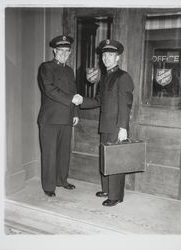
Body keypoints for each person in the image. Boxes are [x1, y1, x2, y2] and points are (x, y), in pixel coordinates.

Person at [77, 39, 134, 206]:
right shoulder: (105, 78)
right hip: (105, 126)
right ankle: (107, 189)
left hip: (117, 126)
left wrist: (123, 127)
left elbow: (126, 103)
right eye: (104, 55)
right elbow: (98, 100)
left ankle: (116, 196)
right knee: (106, 158)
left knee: (116, 160)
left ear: (118, 57)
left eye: (111, 55)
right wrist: (82, 100)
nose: (106, 58)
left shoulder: (123, 77)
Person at [37, 35, 83, 197]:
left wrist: (75, 112)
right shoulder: (46, 67)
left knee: (64, 152)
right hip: (50, 118)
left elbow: (74, 91)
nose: (63, 53)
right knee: (49, 153)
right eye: (60, 50)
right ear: (54, 51)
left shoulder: (70, 71)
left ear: (70, 53)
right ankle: (49, 186)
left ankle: (62, 180)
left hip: (67, 117)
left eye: (67, 51)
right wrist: (71, 99)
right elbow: (49, 89)